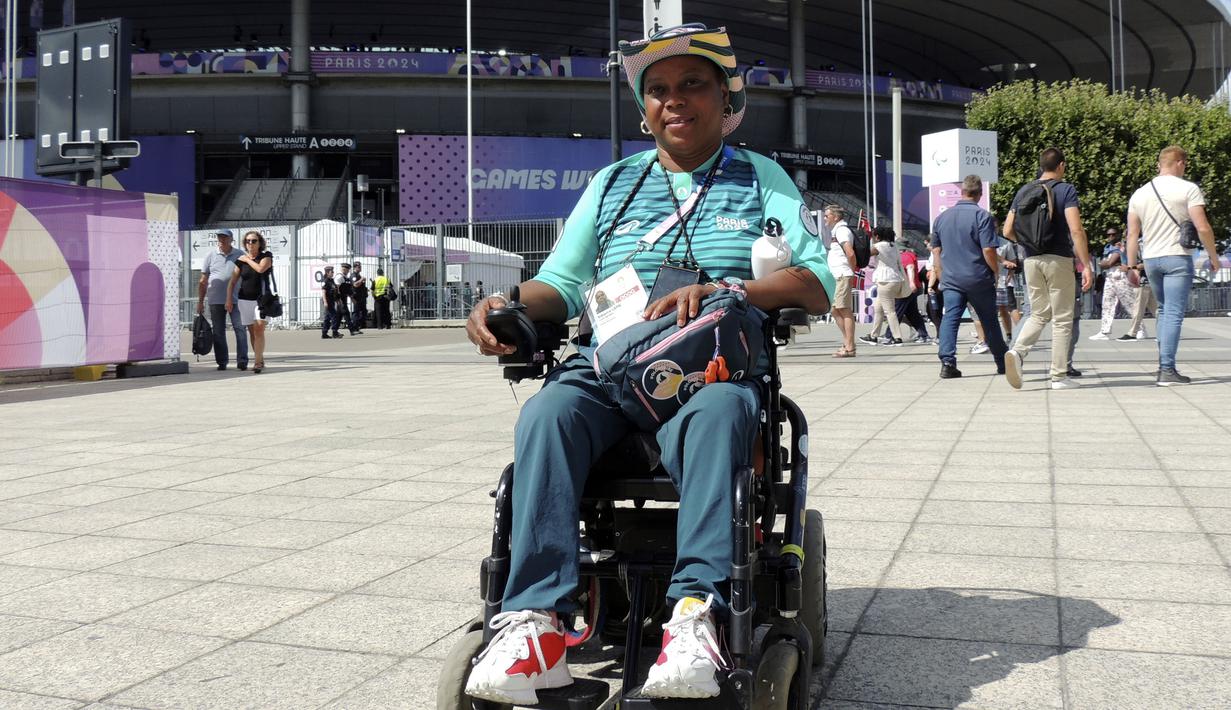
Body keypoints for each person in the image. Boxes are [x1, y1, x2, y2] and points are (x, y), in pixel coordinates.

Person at [463, 24, 834, 704]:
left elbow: (814, 283)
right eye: (658, 90)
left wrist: (730, 290)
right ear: (643, 111)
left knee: (720, 410)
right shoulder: (612, 185)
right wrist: (504, 302)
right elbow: (563, 284)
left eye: (692, 85)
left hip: (708, 373)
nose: (674, 100)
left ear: (725, 101)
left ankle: (694, 614)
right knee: (548, 410)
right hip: (610, 369)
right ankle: (535, 624)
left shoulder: (760, 179)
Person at [1126, 145, 1221, 385]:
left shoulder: (1139, 193)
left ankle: (1164, 365)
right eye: (1185, 164)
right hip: (1177, 256)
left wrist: (1130, 266)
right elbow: (1203, 227)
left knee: (1163, 310)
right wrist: (1213, 256)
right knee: (1174, 313)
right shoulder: (1188, 189)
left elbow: (1131, 234)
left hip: (1151, 259)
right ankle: (1166, 369)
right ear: (1179, 162)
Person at [1001, 147, 1093, 391]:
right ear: (1061, 165)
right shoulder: (1066, 190)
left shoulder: (1024, 191)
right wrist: (1085, 265)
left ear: (1042, 166)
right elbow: (1076, 230)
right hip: (1059, 259)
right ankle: (1059, 376)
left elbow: (1007, 230)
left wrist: (1029, 244)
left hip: (1031, 260)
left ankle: (1018, 352)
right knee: (1063, 318)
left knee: (1039, 313)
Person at [928, 175, 1008, 379]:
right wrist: (995, 271)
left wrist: (940, 274)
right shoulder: (983, 216)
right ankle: (1002, 362)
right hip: (978, 278)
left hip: (952, 279)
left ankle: (947, 362)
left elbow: (936, 252)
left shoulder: (941, 218)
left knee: (950, 319)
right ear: (980, 193)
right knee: (989, 320)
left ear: (962, 192)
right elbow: (988, 250)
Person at [197, 229, 248, 371]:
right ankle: (222, 361)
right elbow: (203, 280)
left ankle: (242, 360)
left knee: (240, 329)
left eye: (225, 238)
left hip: (237, 300)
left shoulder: (240, 255)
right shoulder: (210, 256)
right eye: (219, 238)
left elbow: (247, 276)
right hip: (215, 300)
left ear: (231, 239)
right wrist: (200, 302)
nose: (221, 240)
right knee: (218, 332)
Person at [224, 231, 273, 373]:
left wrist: (247, 260)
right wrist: (228, 299)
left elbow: (260, 269)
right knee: (252, 332)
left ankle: (257, 362)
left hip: (262, 300)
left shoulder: (266, 256)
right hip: (244, 300)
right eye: (248, 241)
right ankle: (260, 358)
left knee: (259, 329)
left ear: (260, 242)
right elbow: (232, 281)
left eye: (253, 241)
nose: (250, 243)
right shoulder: (240, 260)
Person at [860, 226, 906, 346]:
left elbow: (866, 253)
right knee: (878, 309)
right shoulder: (893, 246)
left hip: (885, 280)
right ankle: (874, 336)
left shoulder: (879, 246)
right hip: (895, 279)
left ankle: (897, 338)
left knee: (890, 311)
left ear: (878, 236)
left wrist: (863, 240)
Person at [824, 205, 859, 357]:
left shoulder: (842, 230)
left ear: (836, 217)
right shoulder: (836, 231)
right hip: (838, 275)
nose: (825, 218)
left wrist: (851, 271)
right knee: (835, 309)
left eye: (827, 215)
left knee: (844, 309)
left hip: (843, 274)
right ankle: (847, 342)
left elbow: (850, 253)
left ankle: (850, 347)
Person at [1090, 231, 1136, 340]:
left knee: (1129, 303)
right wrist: (1105, 263)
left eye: (1113, 234)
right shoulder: (1108, 248)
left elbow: (1109, 262)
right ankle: (1104, 331)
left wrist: (1105, 263)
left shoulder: (1120, 246)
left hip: (1120, 276)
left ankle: (1139, 329)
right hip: (1110, 276)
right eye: (1108, 234)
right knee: (1107, 304)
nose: (1111, 236)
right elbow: (1105, 263)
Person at [337, 263, 360, 335]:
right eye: (346, 269)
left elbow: (347, 289)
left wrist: (351, 297)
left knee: (339, 316)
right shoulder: (339, 277)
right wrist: (338, 299)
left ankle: (335, 330)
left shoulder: (345, 277)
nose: (347, 271)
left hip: (344, 298)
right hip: (340, 299)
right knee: (346, 314)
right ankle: (352, 330)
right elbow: (337, 288)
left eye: (347, 270)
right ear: (343, 269)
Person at [320, 265, 343, 339]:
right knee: (334, 316)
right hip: (328, 301)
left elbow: (335, 292)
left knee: (327, 318)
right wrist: (325, 302)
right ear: (327, 273)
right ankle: (335, 332)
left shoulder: (332, 281)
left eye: (333, 271)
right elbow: (323, 292)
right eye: (331, 272)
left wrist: (338, 300)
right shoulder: (325, 281)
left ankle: (324, 333)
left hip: (332, 301)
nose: (333, 273)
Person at [351, 261, 369, 331]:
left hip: (362, 296)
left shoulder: (358, 275)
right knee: (356, 312)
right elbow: (355, 284)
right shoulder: (354, 275)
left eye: (360, 267)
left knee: (364, 312)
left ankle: (358, 325)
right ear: (355, 267)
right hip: (357, 297)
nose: (360, 268)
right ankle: (355, 327)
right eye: (359, 267)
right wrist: (361, 280)